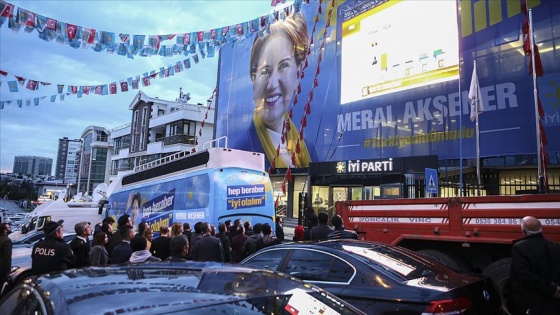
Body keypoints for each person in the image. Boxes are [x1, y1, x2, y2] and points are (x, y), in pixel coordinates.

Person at [236, 12, 316, 168]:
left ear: (298, 71)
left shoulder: (309, 151)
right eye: (265, 71)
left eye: (283, 66)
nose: (272, 84)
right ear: (254, 79)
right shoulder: (240, 153)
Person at [508, 216, 560, 315]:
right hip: (552, 303)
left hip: (532, 302)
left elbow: (525, 276)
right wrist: (554, 290)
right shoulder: (555, 246)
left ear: (523, 230)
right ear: (541, 229)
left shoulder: (520, 248)